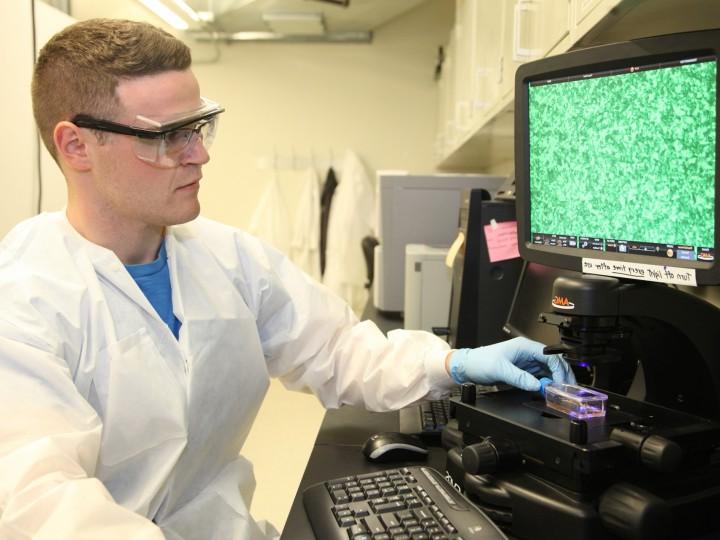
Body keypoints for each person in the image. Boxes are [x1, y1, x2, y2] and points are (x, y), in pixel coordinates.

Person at [0, 18, 575, 540]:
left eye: (200, 126)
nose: (199, 154)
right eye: (166, 135)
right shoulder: (23, 298)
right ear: (76, 145)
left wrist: (454, 363)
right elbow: (42, 499)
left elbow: (337, 349)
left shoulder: (225, 257)